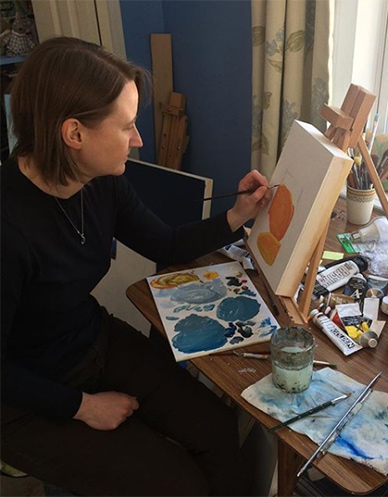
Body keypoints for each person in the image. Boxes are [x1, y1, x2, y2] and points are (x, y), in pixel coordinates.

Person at [1, 36, 271, 496]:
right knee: (177, 484)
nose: (139, 138)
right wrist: (82, 406)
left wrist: (238, 216)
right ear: (74, 134)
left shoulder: (97, 180)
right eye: (126, 126)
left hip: (88, 340)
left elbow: (163, 241)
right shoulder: (9, 228)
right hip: (23, 399)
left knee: (216, 427)